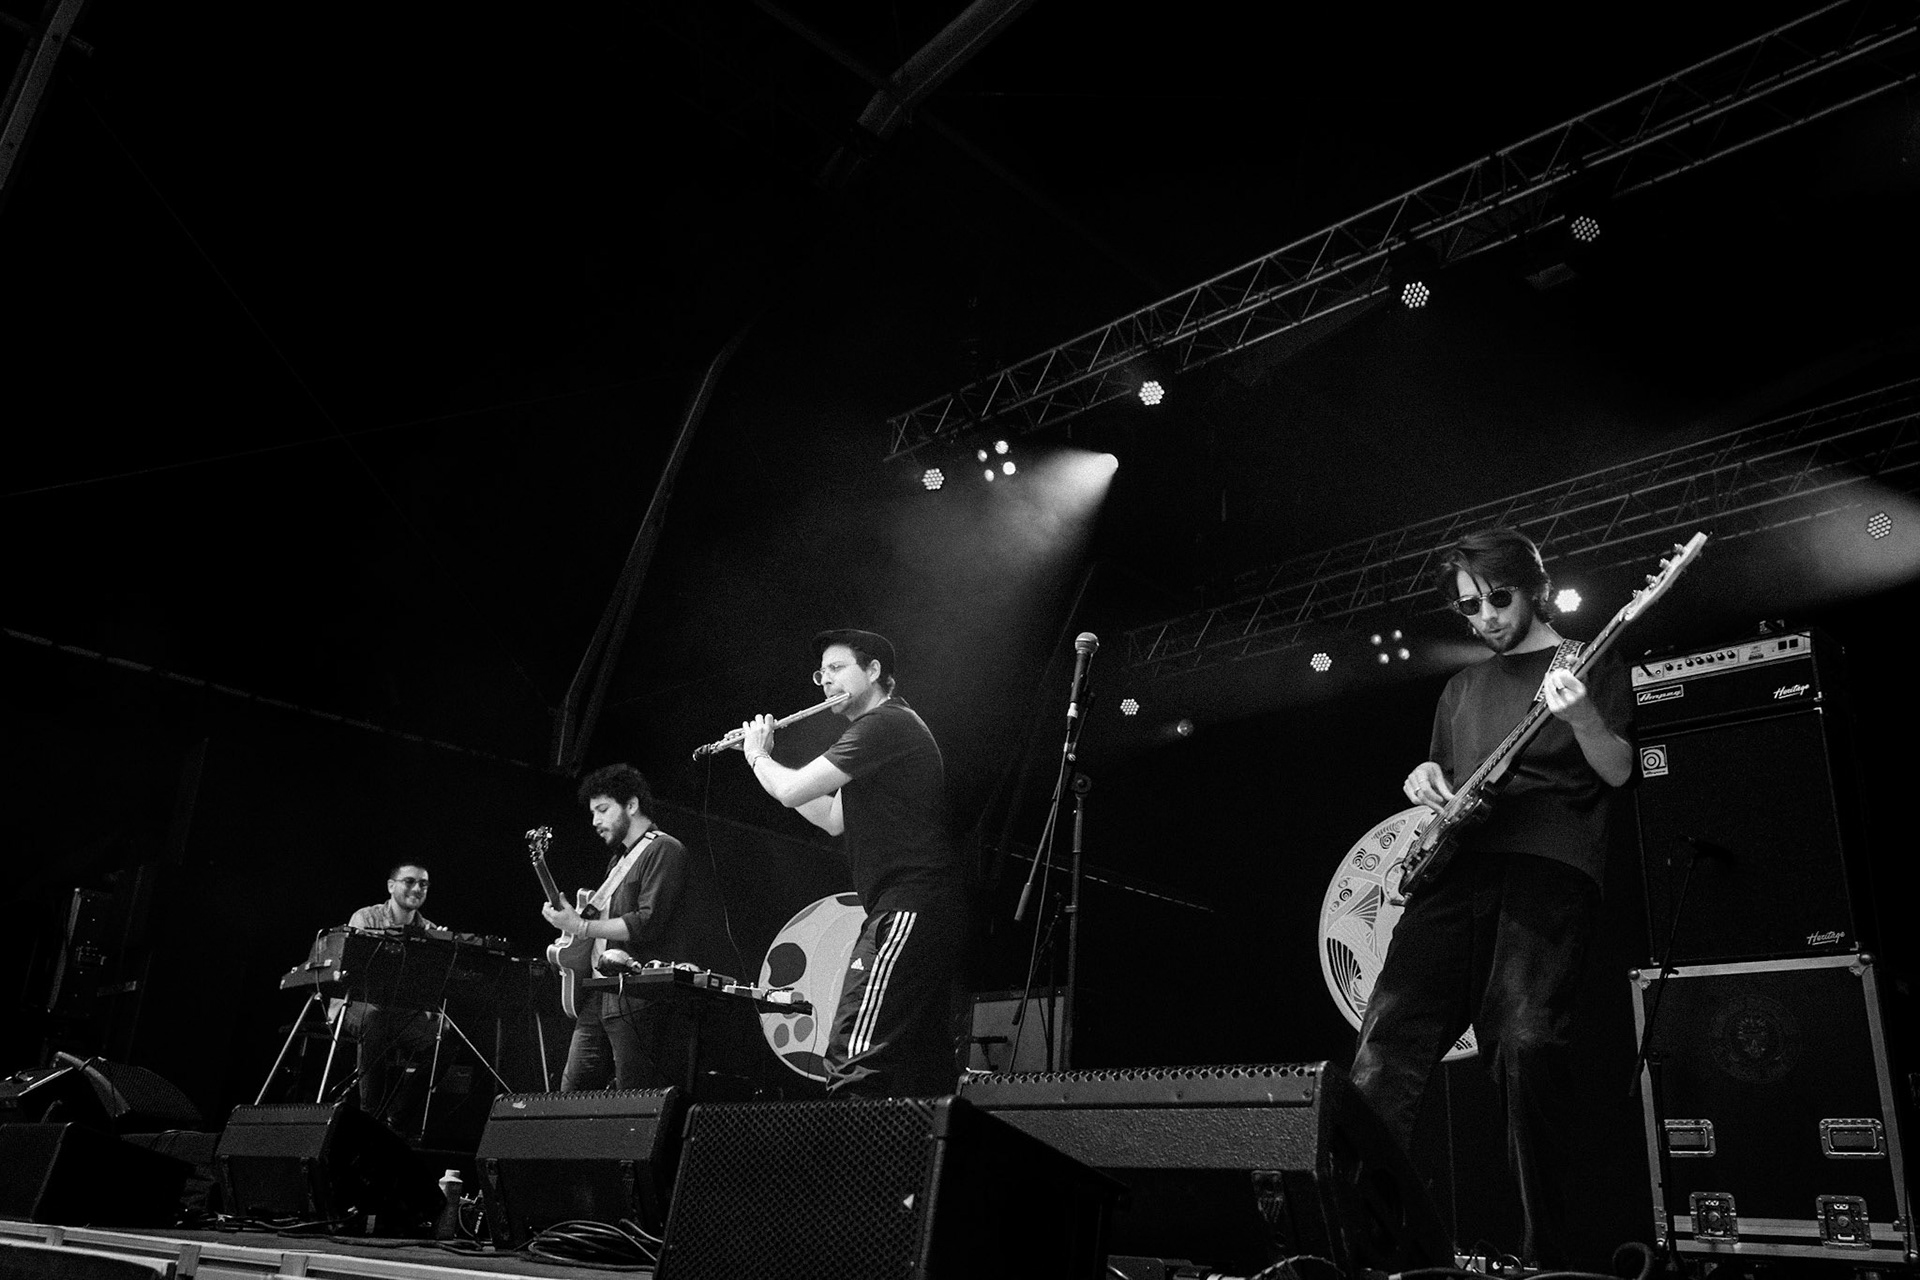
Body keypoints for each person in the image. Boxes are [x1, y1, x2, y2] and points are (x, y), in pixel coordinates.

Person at [1350, 527, 1635, 1269]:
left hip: (1547, 865)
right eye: (1469, 607)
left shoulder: (1591, 660)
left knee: (1528, 1044)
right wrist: (1424, 782)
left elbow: (1618, 770)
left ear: (1534, 587)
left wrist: (1579, 717)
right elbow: (1452, 789)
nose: (1484, 618)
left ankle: (1547, 1255)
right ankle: (1372, 1244)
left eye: (1497, 598)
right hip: (1454, 875)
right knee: (1387, 1044)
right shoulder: (1461, 688)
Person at [737, 628, 966, 1097]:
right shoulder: (878, 734)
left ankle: (847, 1163)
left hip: (909, 903)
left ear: (874, 671)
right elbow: (830, 817)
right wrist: (769, 761)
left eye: (838, 668)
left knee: (853, 1052)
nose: (825, 681)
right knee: (914, 1062)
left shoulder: (885, 725)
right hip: (911, 906)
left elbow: (790, 790)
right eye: (822, 673)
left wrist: (758, 755)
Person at [541, 764, 732, 1091]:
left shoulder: (665, 849)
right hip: (599, 991)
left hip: (637, 996)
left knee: (633, 1092)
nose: (595, 821)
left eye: (602, 810)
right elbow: (601, 922)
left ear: (631, 805)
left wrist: (582, 926)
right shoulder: (617, 860)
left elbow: (646, 923)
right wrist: (576, 921)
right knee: (570, 1092)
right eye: (592, 813)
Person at [339, 862, 442, 1130]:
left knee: (446, 1037)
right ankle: (369, 1119)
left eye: (424, 884)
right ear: (391, 886)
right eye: (410, 882)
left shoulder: (431, 930)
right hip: (360, 1006)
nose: (417, 888)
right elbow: (356, 973)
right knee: (375, 1020)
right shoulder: (365, 917)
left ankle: (397, 1117)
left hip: (402, 1014)